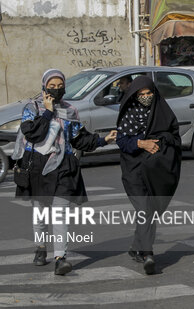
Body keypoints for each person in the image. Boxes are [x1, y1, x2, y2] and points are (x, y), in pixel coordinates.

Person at [12, 69, 116, 275]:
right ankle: (41, 247)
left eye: (60, 86)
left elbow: (78, 139)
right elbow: (33, 134)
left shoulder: (70, 111)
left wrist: (103, 140)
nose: (57, 90)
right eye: (52, 86)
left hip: (64, 168)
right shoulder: (32, 109)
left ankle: (61, 258)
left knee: (60, 215)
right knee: (40, 214)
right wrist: (49, 112)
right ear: (43, 86)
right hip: (38, 168)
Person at [116, 75, 182, 275]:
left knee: (151, 210)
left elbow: (174, 136)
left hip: (157, 170)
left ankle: (136, 246)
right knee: (144, 209)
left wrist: (160, 140)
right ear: (135, 96)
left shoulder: (162, 112)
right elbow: (122, 141)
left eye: (149, 93)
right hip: (134, 170)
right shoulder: (128, 114)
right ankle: (147, 254)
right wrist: (141, 143)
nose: (145, 97)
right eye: (141, 94)